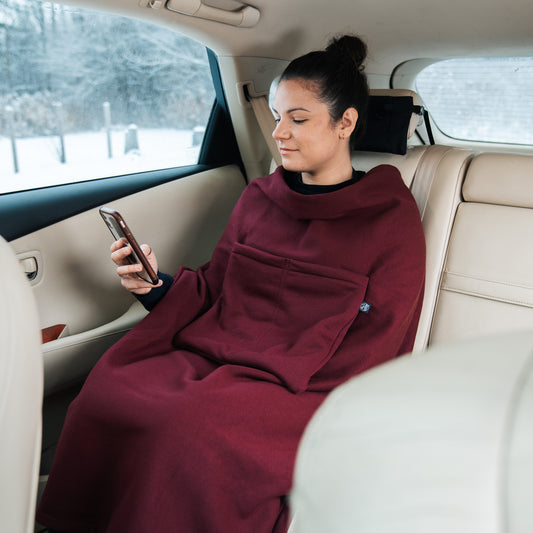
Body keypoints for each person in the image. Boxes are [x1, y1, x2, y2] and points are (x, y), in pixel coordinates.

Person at [37, 34, 425, 533]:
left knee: (190, 430)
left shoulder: (389, 219)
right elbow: (215, 289)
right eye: (278, 116)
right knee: (109, 388)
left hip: (310, 386)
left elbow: (378, 344)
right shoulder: (261, 198)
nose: (280, 133)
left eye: (299, 119)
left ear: (345, 122)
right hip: (219, 354)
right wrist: (153, 285)